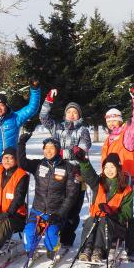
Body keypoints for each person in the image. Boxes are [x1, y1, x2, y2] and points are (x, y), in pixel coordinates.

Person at [39, 88, 92, 248]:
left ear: (79, 115)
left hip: (76, 174)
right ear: (65, 114)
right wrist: (48, 100)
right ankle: (54, 233)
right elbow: (43, 117)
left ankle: (67, 237)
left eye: (75, 112)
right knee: (58, 205)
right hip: (58, 172)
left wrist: (60, 152)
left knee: (73, 208)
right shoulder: (57, 127)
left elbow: (81, 151)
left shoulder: (83, 131)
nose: (72, 115)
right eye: (69, 112)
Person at [17, 132, 80, 259]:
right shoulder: (39, 165)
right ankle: (30, 249)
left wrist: (60, 213)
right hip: (38, 210)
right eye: (46, 148)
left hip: (56, 213)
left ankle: (52, 249)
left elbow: (72, 195)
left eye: (52, 148)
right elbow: (22, 163)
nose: (48, 151)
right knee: (29, 230)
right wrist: (21, 144)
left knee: (51, 233)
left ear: (58, 150)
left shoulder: (68, 168)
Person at [102, 87, 134, 260]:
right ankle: (111, 241)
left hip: (125, 179)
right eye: (109, 121)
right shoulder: (109, 138)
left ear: (120, 121)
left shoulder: (127, 135)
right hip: (109, 179)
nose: (112, 123)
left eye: (115, 120)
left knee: (125, 213)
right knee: (110, 210)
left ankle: (131, 247)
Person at [75, 151, 133, 263]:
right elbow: (89, 175)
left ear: (118, 168)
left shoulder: (126, 189)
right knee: (90, 220)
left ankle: (98, 250)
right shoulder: (99, 183)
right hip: (96, 218)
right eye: (106, 167)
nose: (109, 170)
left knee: (104, 221)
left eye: (112, 167)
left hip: (115, 224)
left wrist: (112, 214)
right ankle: (87, 249)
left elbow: (127, 212)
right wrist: (84, 162)